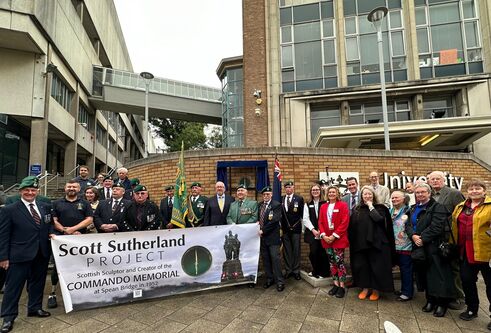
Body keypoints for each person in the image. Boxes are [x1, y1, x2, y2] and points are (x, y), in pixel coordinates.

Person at [0, 176, 53, 333]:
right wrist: (3, 257)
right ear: (21, 191)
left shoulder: (44, 207)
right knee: (13, 287)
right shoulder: (9, 209)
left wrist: (51, 235)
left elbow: (47, 226)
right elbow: (3, 235)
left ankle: (34, 308)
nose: (30, 192)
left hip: (41, 253)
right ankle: (8, 317)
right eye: (27, 190)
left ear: (37, 191)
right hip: (19, 255)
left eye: (33, 190)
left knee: (37, 283)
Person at [405, 182, 456, 317]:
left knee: (438, 275)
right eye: (417, 192)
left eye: (423, 192)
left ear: (429, 193)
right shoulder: (412, 208)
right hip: (419, 247)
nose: (420, 194)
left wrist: (422, 238)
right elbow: (408, 225)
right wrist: (413, 236)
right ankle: (430, 300)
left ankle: (442, 304)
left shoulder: (438, 207)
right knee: (425, 274)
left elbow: (437, 227)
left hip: (434, 246)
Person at [451, 179, 491, 329]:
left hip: (486, 252)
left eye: (478, 188)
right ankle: (472, 309)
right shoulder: (461, 206)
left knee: (490, 285)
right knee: (467, 281)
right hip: (465, 251)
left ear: (484, 191)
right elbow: (454, 226)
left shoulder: (489, 205)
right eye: (471, 189)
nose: (474, 191)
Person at [48, 179, 93, 309]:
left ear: (79, 189)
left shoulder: (84, 203)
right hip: (60, 241)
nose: (71, 188)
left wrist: (73, 230)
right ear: (65, 188)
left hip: (79, 240)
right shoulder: (56, 203)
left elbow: (89, 219)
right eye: (69, 186)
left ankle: (78, 292)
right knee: (58, 267)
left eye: (74, 186)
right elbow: (54, 220)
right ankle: (52, 293)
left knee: (78, 266)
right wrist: (65, 230)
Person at [349, 185, 395, 301]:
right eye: (365, 194)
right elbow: (353, 227)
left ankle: (375, 290)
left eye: (370, 194)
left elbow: (378, 219)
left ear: (373, 195)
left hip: (377, 244)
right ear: (362, 196)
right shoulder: (357, 210)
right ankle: (365, 288)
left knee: (376, 267)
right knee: (363, 267)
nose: (367, 196)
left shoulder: (380, 208)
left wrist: (370, 206)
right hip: (361, 245)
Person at [428, 170, 466, 310]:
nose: (435, 181)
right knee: (441, 266)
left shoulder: (453, 193)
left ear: (444, 180)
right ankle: (445, 294)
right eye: (432, 179)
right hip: (434, 237)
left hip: (449, 236)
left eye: (438, 178)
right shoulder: (429, 194)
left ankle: (459, 297)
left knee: (454, 267)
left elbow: (463, 213)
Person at [318, 186, 349, 298]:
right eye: (329, 192)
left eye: (333, 192)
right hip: (327, 240)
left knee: (339, 263)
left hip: (338, 239)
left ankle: (342, 286)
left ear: (337, 193)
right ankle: (335, 284)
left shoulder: (343, 205)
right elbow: (320, 222)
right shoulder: (323, 206)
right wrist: (324, 235)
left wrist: (334, 235)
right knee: (332, 263)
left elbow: (344, 222)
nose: (331, 194)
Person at [258, 186, 284, 292]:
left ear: (271, 195)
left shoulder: (276, 205)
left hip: (272, 238)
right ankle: (270, 279)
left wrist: (263, 230)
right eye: (264, 194)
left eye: (268, 194)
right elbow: (258, 218)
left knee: (275, 259)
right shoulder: (260, 205)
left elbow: (274, 221)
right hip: (262, 238)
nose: (266, 196)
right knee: (266, 259)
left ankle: (280, 282)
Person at [302, 183, 329, 278]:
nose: (315, 191)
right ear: (311, 192)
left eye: (317, 190)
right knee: (313, 252)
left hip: (323, 232)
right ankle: (315, 271)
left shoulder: (325, 203)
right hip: (312, 232)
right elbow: (305, 218)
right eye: (313, 190)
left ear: (320, 191)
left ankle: (324, 272)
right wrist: (313, 229)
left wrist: (321, 230)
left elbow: (327, 217)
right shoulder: (307, 204)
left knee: (322, 253)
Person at [390, 190, 413, 301]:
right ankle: (404, 289)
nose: (394, 200)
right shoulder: (390, 210)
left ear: (403, 198)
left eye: (397, 198)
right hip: (393, 245)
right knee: (399, 268)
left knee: (406, 269)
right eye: (392, 198)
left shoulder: (408, 210)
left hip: (405, 245)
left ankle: (407, 293)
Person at [280, 181, 304, 280]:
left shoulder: (299, 198)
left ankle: (296, 270)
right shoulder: (281, 199)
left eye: (290, 187)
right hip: (285, 229)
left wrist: (303, 228)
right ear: (284, 189)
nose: (288, 189)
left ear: (293, 187)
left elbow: (303, 215)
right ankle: (288, 270)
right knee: (287, 251)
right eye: (286, 187)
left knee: (296, 250)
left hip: (296, 228)